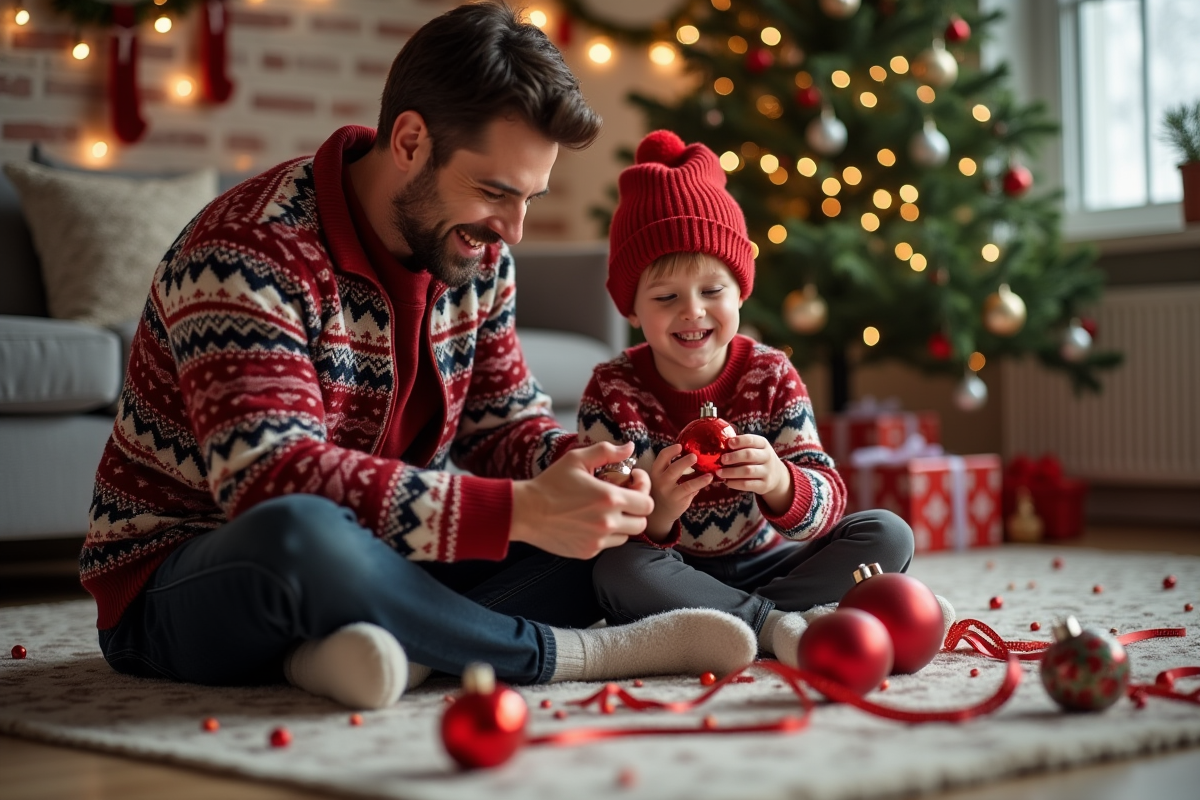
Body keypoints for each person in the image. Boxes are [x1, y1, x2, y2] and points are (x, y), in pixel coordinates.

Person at [83, 3, 756, 711]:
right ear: (408, 141)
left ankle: (374, 650)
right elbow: (269, 479)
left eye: (529, 197)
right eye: (495, 191)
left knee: (594, 530)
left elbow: (504, 426)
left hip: (391, 557)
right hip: (186, 578)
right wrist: (521, 511)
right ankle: (565, 653)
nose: (514, 230)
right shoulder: (249, 250)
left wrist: (586, 475)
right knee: (301, 529)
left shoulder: (478, 254)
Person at [582, 130, 940, 666]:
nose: (693, 311)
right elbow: (602, 520)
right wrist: (657, 514)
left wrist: (779, 483)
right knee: (615, 573)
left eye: (712, 291)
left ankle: (738, 622)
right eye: (665, 297)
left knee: (888, 533)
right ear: (631, 309)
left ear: (741, 290)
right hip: (670, 572)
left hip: (773, 563)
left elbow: (827, 500)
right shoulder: (612, 390)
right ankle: (777, 626)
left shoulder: (770, 373)